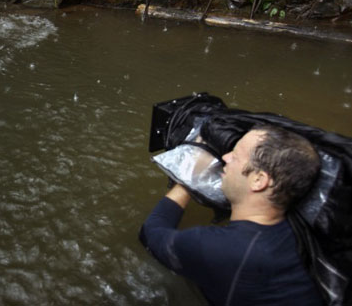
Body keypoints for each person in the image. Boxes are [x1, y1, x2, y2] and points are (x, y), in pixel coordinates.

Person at [139, 125, 324, 306]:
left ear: (258, 180)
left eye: (235, 156)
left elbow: (150, 233)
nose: (225, 158)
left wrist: (190, 173)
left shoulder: (219, 248)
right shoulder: (304, 230)